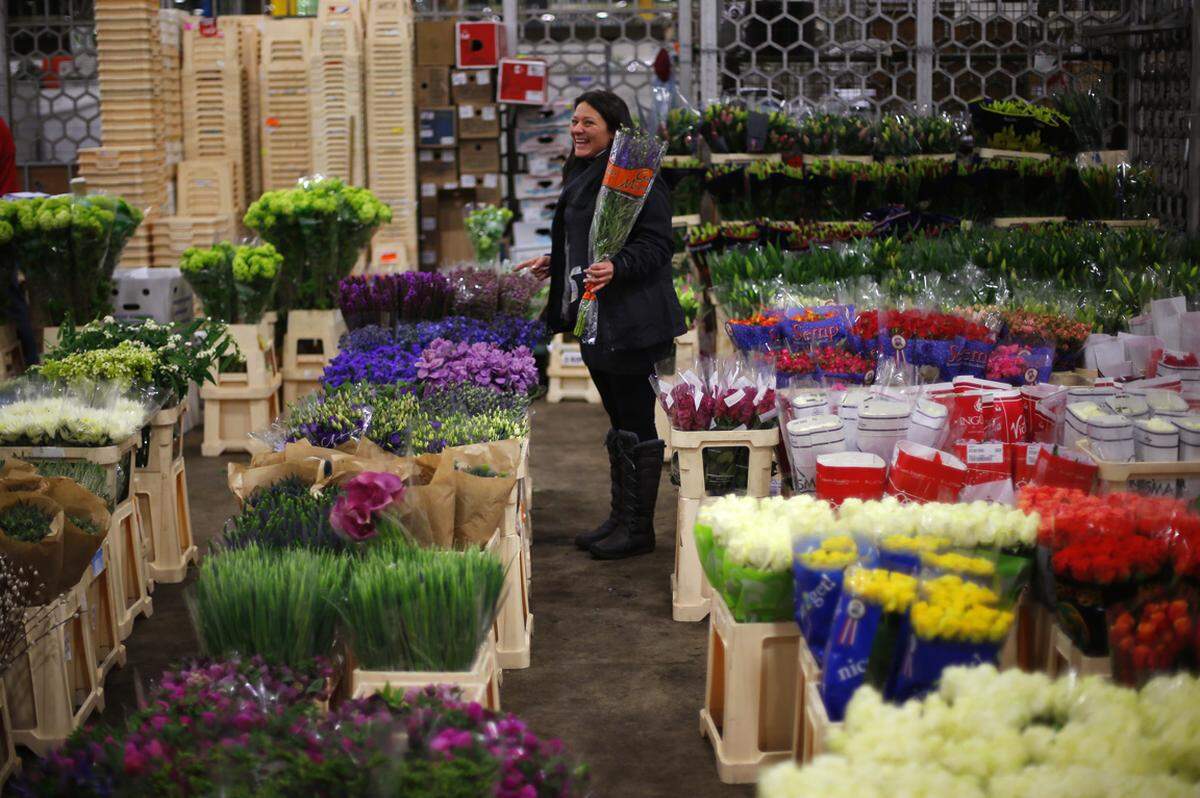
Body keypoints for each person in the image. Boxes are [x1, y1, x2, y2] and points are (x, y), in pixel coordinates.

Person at [516, 90, 685, 560]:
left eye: (588, 122)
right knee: (618, 424)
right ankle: (621, 517)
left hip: (634, 321)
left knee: (636, 421)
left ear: (614, 129)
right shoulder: (585, 172)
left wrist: (617, 266)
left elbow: (657, 245)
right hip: (596, 319)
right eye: (573, 121)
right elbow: (585, 236)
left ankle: (639, 530)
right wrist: (557, 261)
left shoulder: (636, 178)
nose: (576, 129)